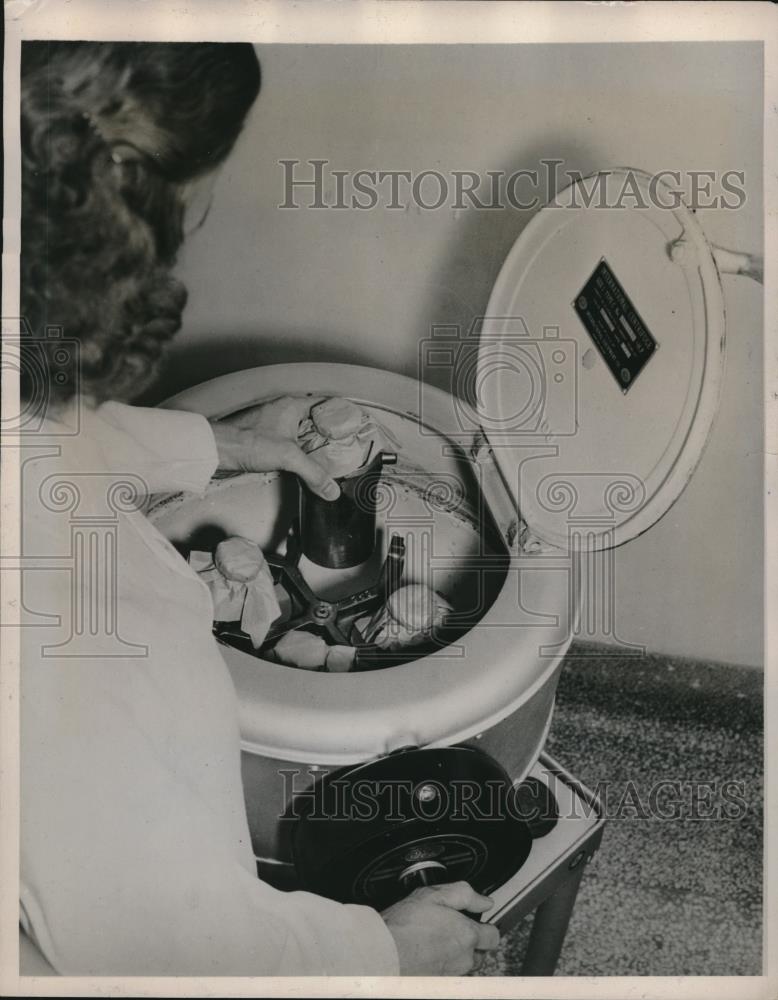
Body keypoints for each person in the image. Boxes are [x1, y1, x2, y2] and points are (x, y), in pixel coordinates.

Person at [18, 41, 500, 976]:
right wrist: (389, 951)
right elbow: (182, 952)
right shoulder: (89, 681)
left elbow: (27, 438)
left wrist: (219, 445)